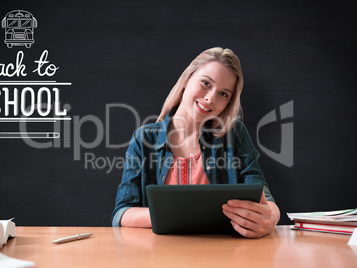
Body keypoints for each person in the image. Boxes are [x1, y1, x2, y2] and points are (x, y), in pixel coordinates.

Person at [112, 47, 280, 238]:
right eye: (206, 83)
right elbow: (121, 214)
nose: (210, 99)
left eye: (223, 94)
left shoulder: (234, 133)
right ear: (186, 79)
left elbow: (264, 198)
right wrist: (182, 214)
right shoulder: (143, 139)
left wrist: (272, 217)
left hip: (223, 255)